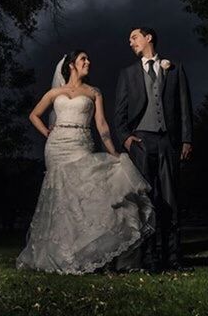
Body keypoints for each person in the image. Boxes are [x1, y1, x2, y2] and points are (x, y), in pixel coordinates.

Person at [16, 50, 155, 275]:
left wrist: (114, 153)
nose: (88, 62)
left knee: (85, 195)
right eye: (83, 59)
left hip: (81, 143)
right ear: (72, 65)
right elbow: (34, 115)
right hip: (56, 146)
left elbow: (101, 125)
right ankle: (64, 252)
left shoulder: (93, 92)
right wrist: (47, 133)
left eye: (88, 59)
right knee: (62, 197)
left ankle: (89, 252)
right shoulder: (55, 92)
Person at [114, 27, 193, 272]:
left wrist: (187, 139)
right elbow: (120, 113)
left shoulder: (174, 68)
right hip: (141, 143)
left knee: (171, 200)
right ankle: (149, 259)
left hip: (168, 142)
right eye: (128, 39)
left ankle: (173, 258)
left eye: (133, 37)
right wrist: (126, 138)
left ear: (148, 38)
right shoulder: (127, 74)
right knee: (145, 202)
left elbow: (184, 107)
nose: (130, 42)